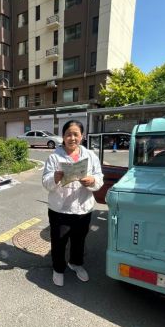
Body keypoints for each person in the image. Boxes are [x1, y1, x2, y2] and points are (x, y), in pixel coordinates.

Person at [42, 120, 103, 287]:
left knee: (79, 240)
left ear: (82, 136)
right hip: (60, 209)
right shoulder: (54, 157)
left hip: (83, 208)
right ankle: (58, 269)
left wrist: (92, 180)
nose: (72, 138)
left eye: (76, 134)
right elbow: (46, 182)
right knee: (59, 242)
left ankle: (75, 263)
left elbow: (99, 177)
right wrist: (55, 177)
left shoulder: (90, 156)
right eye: (68, 134)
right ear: (63, 136)